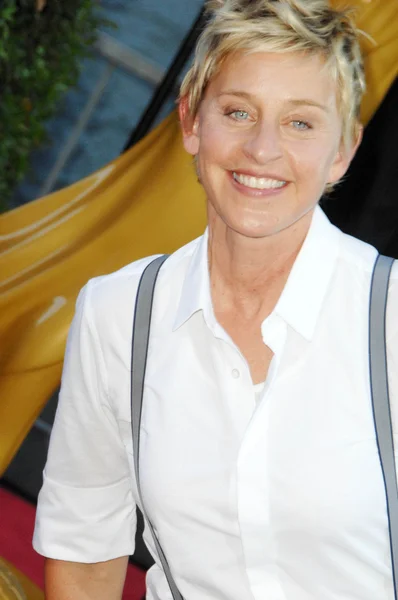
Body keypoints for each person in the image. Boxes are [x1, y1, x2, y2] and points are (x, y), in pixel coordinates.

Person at [33, 1, 398, 599]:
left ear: (343, 151)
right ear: (191, 123)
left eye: (300, 122)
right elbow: (83, 554)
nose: (262, 149)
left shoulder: (389, 319)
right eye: (237, 112)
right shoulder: (117, 313)